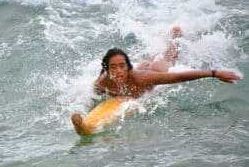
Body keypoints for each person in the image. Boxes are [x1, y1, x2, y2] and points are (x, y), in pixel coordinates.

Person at [94, 26, 241, 98]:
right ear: (107, 69)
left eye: (122, 66)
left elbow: (179, 77)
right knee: (148, 62)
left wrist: (215, 73)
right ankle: (154, 54)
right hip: (141, 69)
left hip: (155, 71)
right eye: (113, 67)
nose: (118, 71)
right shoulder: (103, 81)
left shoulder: (142, 78)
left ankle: (176, 37)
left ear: (128, 67)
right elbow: (92, 94)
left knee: (166, 60)